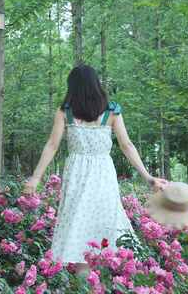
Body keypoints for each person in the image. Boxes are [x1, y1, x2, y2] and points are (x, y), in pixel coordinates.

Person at [23, 64, 167, 275]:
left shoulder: (67, 112)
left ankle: (87, 282)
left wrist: (36, 177)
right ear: (96, 84)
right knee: (104, 221)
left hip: (77, 175)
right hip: (103, 175)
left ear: (73, 87)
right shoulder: (110, 112)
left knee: (82, 224)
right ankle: (108, 280)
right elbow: (127, 146)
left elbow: (52, 145)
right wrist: (148, 177)